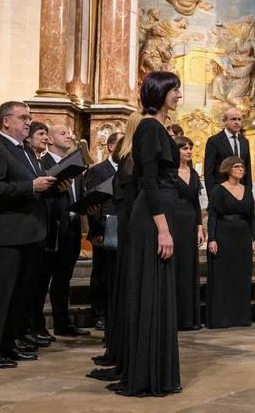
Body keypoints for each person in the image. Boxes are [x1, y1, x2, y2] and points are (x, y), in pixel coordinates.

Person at [0, 101, 63, 368]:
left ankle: (8, 343)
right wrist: (31, 185)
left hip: (31, 234)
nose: (28, 122)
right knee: (2, 294)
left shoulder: (25, 151)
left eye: (29, 118)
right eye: (23, 118)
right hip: (8, 235)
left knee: (21, 295)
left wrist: (54, 186)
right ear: (6, 122)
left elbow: (33, 188)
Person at [114, 71, 183, 396]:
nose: (179, 95)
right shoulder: (150, 127)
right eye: (175, 90)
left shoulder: (155, 127)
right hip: (153, 216)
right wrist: (164, 230)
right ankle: (146, 373)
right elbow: (151, 181)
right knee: (151, 290)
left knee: (156, 291)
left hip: (157, 213)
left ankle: (152, 369)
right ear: (160, 92)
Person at [89, 112, 143, 382]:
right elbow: (94, 203)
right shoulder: (111, 167)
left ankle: (114, 337)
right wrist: (96, 230)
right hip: (114, 227)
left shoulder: (132, 163)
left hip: (125, 228)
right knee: (105, 277)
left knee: (118, 283)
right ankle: (103, 317)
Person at [40, 124, 89, 337]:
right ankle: (37, 326)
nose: (69, 136)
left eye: (69, 133)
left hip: (72, 230)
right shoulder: (42, 164)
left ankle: (62, 323)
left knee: (63, 280)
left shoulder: (74, 165)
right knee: (42, 281)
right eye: (62, 133)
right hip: (52, 230)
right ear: (49, 140)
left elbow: (77, 196)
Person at [206, 156, 255, 328]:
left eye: (242, 167)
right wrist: (212, 239)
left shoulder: (247, 190)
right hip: (224, 234)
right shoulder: (219, 190)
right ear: (228, 169)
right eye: (237, 166)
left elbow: (251, 216)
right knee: (224, 276)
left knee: (241, 275)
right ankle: (222, 318)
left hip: (242, 236)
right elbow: (213, 216)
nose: (241, 169)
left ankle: (240, 317)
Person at [86, 132, 122, 336]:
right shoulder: (99, 170)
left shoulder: (129, 169)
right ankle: (99, 313)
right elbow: (92, 202)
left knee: (117, 272)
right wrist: (96, 230)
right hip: (104, 225)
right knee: (102, 273)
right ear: (110, 147)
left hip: (121, 225)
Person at [23, 121, 54, 346]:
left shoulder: (36, 160)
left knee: (35, 285)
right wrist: (34, 186)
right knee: (25, 288)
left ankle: (29, 329)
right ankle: (24, 331)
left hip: (40, 230)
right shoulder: (25, 159)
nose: (46, 138)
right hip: (23, 228)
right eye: (41, 133)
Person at [173, 136, 204, 330]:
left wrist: (200, 226)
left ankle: (189, 318)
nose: (189, 151)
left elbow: (196, 202)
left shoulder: (193, 173)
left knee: (189, 267)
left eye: (190, 148)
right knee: (176, 266)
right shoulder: (168, 172)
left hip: (190, 221)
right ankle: (175, 317)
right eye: (184, 148)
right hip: (174, 219)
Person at [203, 107, 252, 194]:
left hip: (241, 190)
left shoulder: (244, 141)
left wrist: (248, 191)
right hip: (221, 190)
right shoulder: (214, 141)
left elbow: (247, 168)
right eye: (233, 119)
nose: (237, 122)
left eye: (239, 119)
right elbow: (209, 171)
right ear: (225, 121)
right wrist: (212, 196)